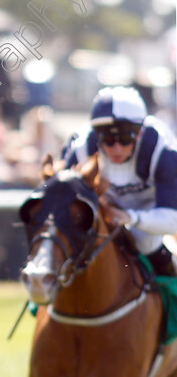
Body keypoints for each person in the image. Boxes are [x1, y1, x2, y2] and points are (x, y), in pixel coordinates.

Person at [62, 86, 177, 277]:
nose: (116, 148)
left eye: (124, 137)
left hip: (149, 215)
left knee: (146, 242)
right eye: (107, 138)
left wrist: (131, 217)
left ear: (139, 132)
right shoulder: (79, 149)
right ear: (97, 135)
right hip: (101, 213)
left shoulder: (163, 151)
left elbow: (173, 220)